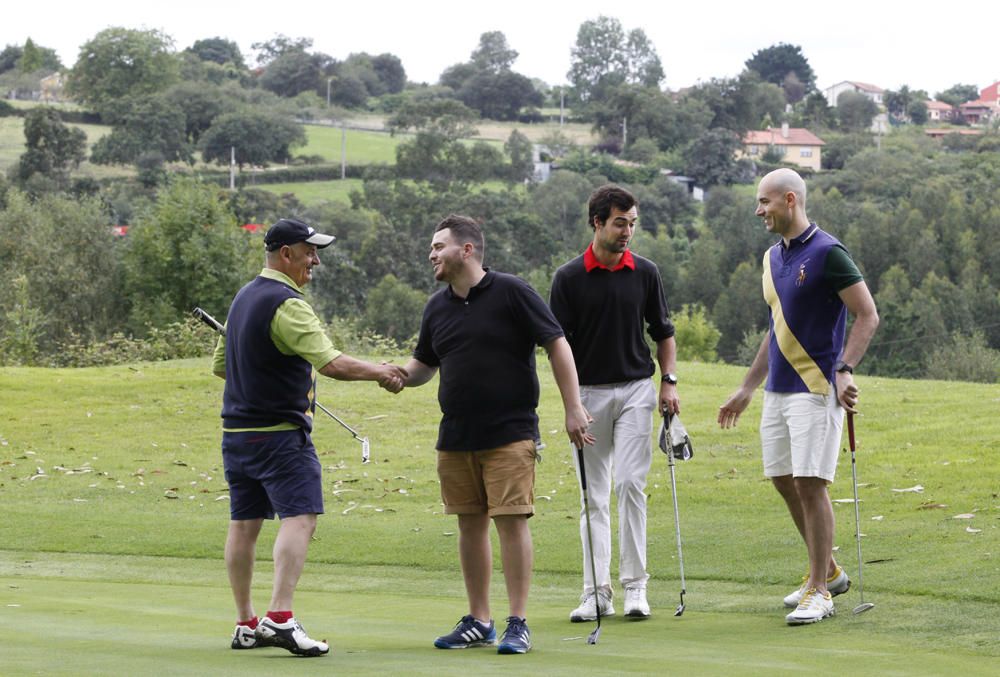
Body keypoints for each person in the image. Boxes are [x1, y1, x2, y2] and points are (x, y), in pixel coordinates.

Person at [397, 215, 592, 655]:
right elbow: (424, 365)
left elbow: (556, 342)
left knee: (510, 521)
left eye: (438, 245)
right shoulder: (437, 306)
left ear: (466, 250)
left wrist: (573, 407)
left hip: (509, 432)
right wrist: (396, 376)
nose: (431, 253)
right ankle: (479, 619)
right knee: (469, 524)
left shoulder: (512, 291)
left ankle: (518, 622)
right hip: (455, 434)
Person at [213, 217, 406, 656]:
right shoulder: (288, 303)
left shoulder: (242, 298)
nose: (315, 260)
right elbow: (331, 362)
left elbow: (222, 367)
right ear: (286, 254)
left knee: (243, 526)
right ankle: (280, 617)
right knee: (300, 517)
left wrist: (264, 362)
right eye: (309, 251)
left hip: (237, 436)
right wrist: (382, 372)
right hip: (280, 437)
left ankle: (246, 623)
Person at [718, 168, 879, 625]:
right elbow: (777, 330)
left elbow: (867, 316)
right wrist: (747, 387)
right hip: (777, 391)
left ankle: (819, 590)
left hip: (816, 389)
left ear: (790, 200)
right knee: (783, 480)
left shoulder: (830, 253)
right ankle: (827, 570)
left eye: (764, 202)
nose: (758, 210)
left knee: (811, 483)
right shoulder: (771, 258)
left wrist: (845, 369)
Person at [549, 184, 680, 622]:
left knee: (629, 484)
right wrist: (571, 405)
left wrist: (669, 382)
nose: (628, 231)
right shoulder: (567, 278)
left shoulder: (645, 272)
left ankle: (635, 587)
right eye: (620, 223)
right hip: (587, 396)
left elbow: (663, 332)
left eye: (632, 223)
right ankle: (595, 592)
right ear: (597, 222)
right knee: (593, 496)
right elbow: (557, 347)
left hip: (636, 391)